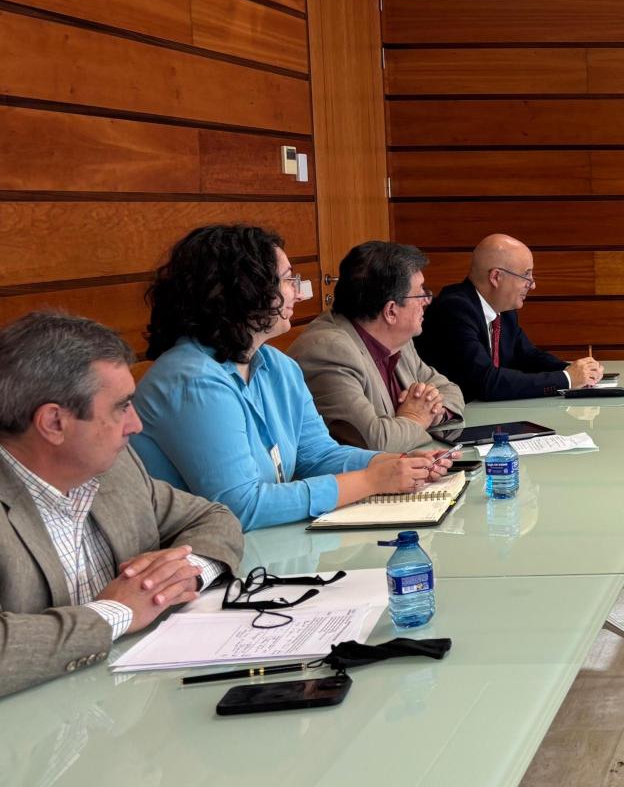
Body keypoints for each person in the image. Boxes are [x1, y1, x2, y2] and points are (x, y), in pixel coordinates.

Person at [131, 225, 442, 531]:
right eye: (289, 279)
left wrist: (394, 463)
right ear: (245, 289)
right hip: (191, 561)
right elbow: (239, 505)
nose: (299, 290)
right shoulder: (192, 379)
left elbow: (318, 455)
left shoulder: (277, 366)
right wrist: (371, 480)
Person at [0, 312, 243, 697]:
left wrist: (181, 574)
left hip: (128, 708)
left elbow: (213, 517)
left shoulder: (115, 468)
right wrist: (117, 613)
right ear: (54, 423)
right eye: (121, 407)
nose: (136, 425)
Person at [289, 241, 465, 452]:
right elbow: (374, 442)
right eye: (420, 294)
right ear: (391, 311)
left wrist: (435, 412)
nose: (427, 301)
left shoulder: (399, 340)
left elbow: (450, 390)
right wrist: (417, 418)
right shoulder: (328, 351)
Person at [415, 234, 602, 402]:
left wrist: (576, 370)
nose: (533, 284)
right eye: (526, 275)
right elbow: (487, 382)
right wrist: (567, 379)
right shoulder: (454, 309)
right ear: (496, 277)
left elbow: (528, 356)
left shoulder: (503, 309)